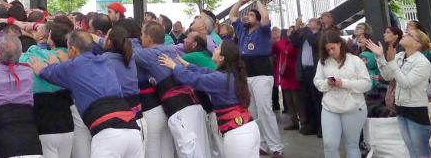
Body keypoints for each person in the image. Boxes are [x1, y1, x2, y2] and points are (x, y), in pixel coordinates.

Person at [30, 31, 144, 158]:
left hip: (108, 133)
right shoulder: (105, 61)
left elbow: (48, 73)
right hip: (132, 129)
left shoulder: (74, 66)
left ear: (72, 49)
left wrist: (41, 68)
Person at [159, 40, 261, 157]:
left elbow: (193, 79)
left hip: (238, 134)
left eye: (217, 48)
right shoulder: (231, 74)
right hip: (248, 128)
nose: (214, 49)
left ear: (222, 57)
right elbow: (207, 72)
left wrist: (175, 66)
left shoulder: (220, 78)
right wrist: (188, 65)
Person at [134, 21, 210, 158]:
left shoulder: (149, 55)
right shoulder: (170, 49)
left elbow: (125, 51)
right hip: (194, 107)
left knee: (189, 153)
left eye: (141, 35)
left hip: (181, 111)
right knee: (201, 151)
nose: (140, 38)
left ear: (149, 38)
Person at [229, 0, 282, 157]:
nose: (247, 17)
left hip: (262, 74)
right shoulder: (242, 31)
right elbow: (232, 15)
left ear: (257, 20)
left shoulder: (263, 30)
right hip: (247, 75)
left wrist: (257, 0)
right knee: (252, 111)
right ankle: (262, 144)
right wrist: (240, 1)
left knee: (265, 109)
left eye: (251, 15)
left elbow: (265, 16)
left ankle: (276, 147)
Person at [366, 28, 431, 157]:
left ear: (417, 43)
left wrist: (391, 62)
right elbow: (387, 76)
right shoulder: (400, 56)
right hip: (401, 108)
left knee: (422, 153)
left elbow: (406, 83)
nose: (405, 34)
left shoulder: (423, 63)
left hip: (416, 110)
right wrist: (380, 57)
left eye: (410, 34)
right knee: (411, 150)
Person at [313, 28, 372, 158]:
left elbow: (367, 84)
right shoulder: (323, 61)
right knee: (329, 145)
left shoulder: (355, 60)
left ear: (339, 43)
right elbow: (317, 81)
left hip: (354, 107)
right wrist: (327, 83)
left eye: (332, 48)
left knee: (351, 144)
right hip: (330, 106)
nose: (330, 52)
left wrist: (345, 83)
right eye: (327, 50)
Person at [20, 20, 74, 158]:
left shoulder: (32, 57)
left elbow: (13, 57)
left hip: (45, 124)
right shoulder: (72, 59)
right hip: (68, 123)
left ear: (50, 38)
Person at [291, 16, 324, 135]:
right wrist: (296, 28)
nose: (309, 23)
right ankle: (310, 125)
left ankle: (321, 126)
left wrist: (305, 29)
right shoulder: (305, 34)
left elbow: (314, 42)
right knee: (306, 100)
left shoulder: (320, 35)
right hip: (304, 71)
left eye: (312, 21)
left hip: (315, 71)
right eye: (309, 21)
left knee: (317, 100)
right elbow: (294, 41)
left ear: (318, 25)